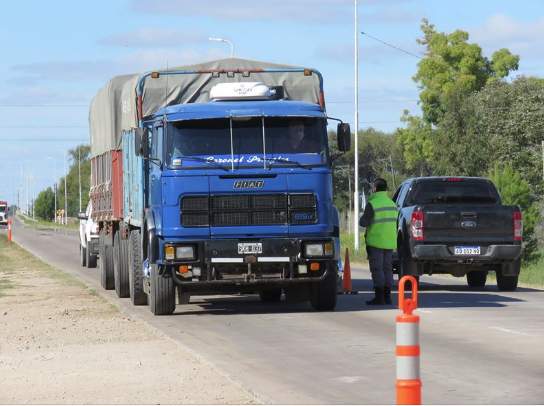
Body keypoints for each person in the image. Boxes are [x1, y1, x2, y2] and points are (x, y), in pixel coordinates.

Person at [359, 178, 398, 305]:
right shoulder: (392, 204)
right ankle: (387, 297)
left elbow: (363, 222)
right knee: (387, 269)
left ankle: (379, 297)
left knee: (377, 270)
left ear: (374, 189)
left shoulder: (373, 204)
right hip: (390, 242)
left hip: (376, 242)